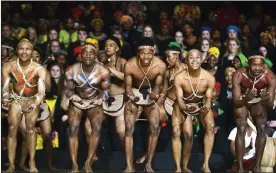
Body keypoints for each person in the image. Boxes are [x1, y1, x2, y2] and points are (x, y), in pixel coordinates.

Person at [62, 43, 110, 172]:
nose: (88, 55)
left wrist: (100, 99)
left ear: (95, 56)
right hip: (77, 101)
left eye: (91, 52)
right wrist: (73, 96)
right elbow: (68, 89)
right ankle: (74, 164)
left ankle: (88, 162)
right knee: (72, 129)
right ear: (80, 55)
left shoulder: (104, 71)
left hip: (94, 101)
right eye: (85, 52)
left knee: (97, 128)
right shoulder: (71, 70)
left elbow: (105, 91)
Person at [2, 39, 47, 172]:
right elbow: (5, 87)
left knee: (31, 129)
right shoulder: (8, 66)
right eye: (21, 48)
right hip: (16, 100)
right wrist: (5, 99)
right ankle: (11, 165)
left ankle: (32, 163)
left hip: (32, 100)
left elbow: (41, 92)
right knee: (11, 129)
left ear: (32, 51)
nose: (24, 52)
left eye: (27, 49)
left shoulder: (39, 69)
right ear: (17, 50)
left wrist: (34, 105)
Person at [123, 37, 166, 172]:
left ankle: (149, 164)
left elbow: (158, 86)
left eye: (149, 53)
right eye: (143, 53)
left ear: (153, 52)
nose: (146, 56)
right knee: (129, 128)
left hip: (149, 93)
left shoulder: (160, 65)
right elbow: (128, 87)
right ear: (138, 53)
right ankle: (129, 166)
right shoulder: (130, 65)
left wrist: (155, 93)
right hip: (134, 93)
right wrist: (131, 96)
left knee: (154, 126)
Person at [174, 49, 216, 172]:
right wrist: (185, 107)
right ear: (186, 60)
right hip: (183, 105)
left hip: (200, 105)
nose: (194, 60)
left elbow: (208, 100)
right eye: (191, 58)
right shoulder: (180, 77)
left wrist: (205, 108)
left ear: (202, 59)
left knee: (211, 126)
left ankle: (206, 165)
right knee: (182, 132)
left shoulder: (209, 78)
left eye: (197, 58)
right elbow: (180, 100)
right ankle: (180, 167)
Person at [232, 55, 276, 172]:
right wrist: (246, 98)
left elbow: (271, 104)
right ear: (248, 65)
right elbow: (236, 102)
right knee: (241, 127)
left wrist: (266, 99)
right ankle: (240, 168)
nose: (257, 68)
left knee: (262, 128)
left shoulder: (270, 76)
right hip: (242, 99)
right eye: (254, 65)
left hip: (259, 101)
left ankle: (257, 166)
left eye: (260, 65)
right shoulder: (239, 74)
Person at [19, 50, 56, 172]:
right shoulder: (22, 71)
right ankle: (23, 163)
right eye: (32, 56)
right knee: (27, 136)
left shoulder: (44, 72)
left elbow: (49, 89)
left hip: (41, 106)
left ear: (40, 59)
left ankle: (50, 164)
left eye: (37, 56)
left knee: (48, 136)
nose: (35, 58)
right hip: (25, 106)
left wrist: (43, 75)